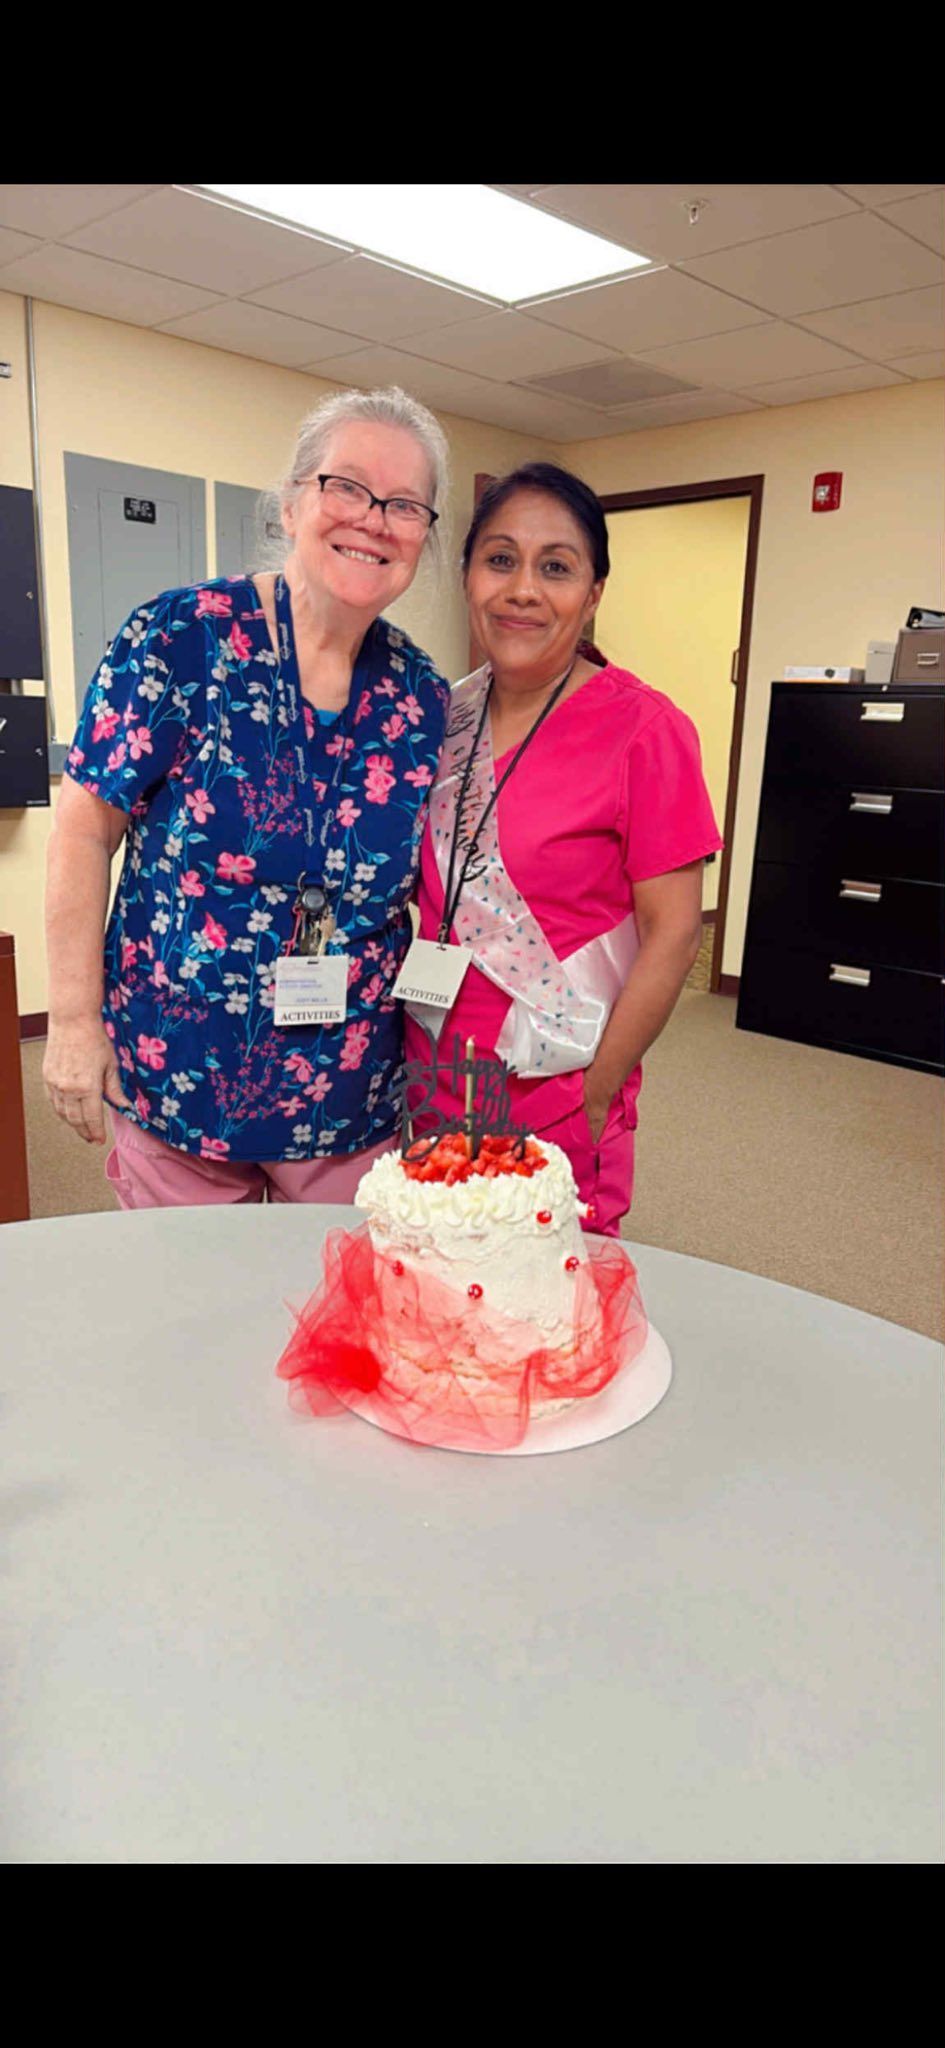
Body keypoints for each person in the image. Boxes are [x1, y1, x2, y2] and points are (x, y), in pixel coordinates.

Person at [44, 387, 451, 1205]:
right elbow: (85, 830)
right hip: (178, 1072)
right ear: (294, 500)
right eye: (346, 486)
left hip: (347, 1096)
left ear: (423, 536)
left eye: (404, 505)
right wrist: (72, 1022)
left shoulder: (424, 698)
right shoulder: (180, 638)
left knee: (333, 1316)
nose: (372, 520)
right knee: (186, 1316)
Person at [403, 461, 723, 1235]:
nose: (522, 590)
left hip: (559, 1076)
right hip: (432, 1064)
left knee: (549, 1306)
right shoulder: (439, 716)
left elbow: (674, 934)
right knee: (439, 1281)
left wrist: (600, 1087)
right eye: (500, 559)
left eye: (555, 567)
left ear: (592, 593)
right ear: (469, 575)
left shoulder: (645, 730)